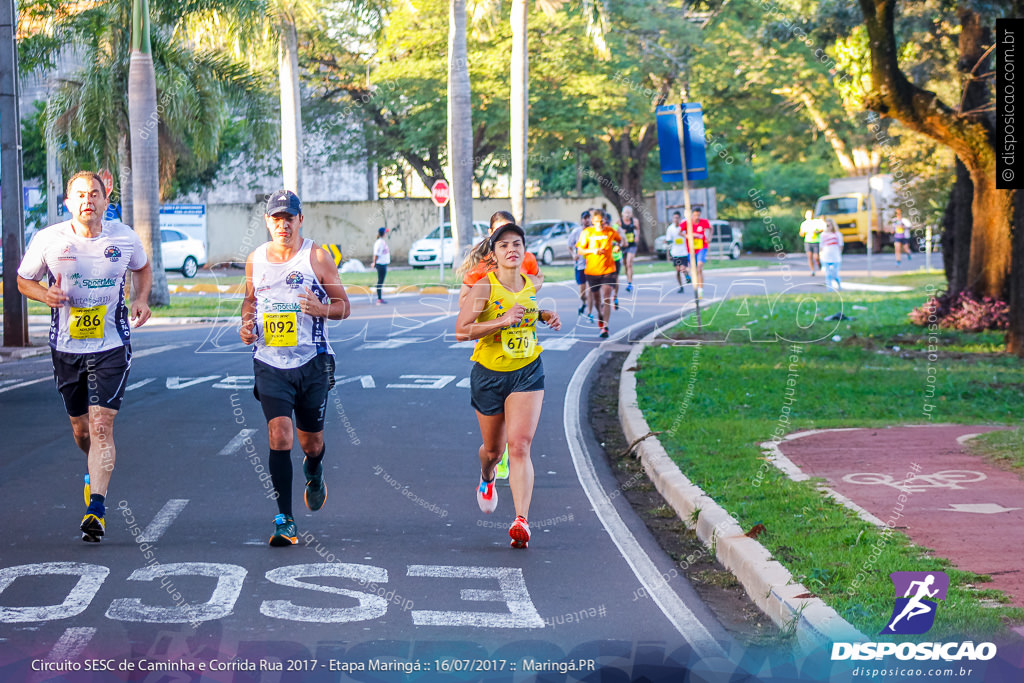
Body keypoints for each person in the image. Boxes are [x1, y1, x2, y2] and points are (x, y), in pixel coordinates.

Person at [16, 171, 153, 542]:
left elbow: (142, 268)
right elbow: (22, 279)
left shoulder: (123, 238)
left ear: (106, 201)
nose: (87, 200)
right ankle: (92, 471)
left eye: (94, 193)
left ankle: (97, 508)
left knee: (100, 425)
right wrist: (45, 296)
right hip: (67, 347)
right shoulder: (49, 240)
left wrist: (140, 298)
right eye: (79, 195)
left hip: (111, 345)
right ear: (67, 203)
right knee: (81, 430)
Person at [239, 190, 351, 546]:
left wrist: (322, 309)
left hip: (312, 361)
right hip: (270, 362)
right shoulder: (256, 259)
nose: (282, 225)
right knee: (280, 435)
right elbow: (249, 301)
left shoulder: (315, 257)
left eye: (289, 218)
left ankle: (314, 470)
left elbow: (344, 306)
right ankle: (284, 519)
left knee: (311, 442)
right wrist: (246, 325)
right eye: (276, 218)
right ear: (267, 222)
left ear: (300, 219)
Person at [455, 222, 561, 549]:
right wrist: (501, 321)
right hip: (489, 375)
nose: (511, 249)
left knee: (520, 446)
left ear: (524, 251)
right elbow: (462, 331)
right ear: (494, 254)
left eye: (517, 244)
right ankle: (487, 478)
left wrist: (544, 316)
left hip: (527, 371)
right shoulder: (483, 288)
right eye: (504, 246)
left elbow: (526, 310)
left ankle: (521, 521)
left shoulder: (531, 284)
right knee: (493, 450)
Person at [458, 211, 542, 307]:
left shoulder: (527, 258)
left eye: (509, 229)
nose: (506, 234)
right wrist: (494, 304)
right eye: (500, 230)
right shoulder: (480, 265)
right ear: (490, 232)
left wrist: (522, 296)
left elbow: (539, 277)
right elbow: (463, 302)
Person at [575, 209, 621, 338]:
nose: (599, 224)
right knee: (596, 300)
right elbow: (580, 251)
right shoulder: (587, 232)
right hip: (592, 271)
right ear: (592, 221)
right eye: (597, 221)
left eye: (602, 221)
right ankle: (600, 316)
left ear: (605, 220)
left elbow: (619, 241)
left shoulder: (610, 231)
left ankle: (605, 327)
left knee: (606, 295)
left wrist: (617, 247)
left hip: (608, 269)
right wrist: (593, 250)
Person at [567, 210, 593, 319]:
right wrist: (573, 254)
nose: (586, 220)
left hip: (592, 265)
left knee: (591, 289)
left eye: (588, 218)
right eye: (584, 218)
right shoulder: (576, 232)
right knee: (582, 292)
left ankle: (590, 312)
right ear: (582, 219)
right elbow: (569, 245)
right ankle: (584, 303)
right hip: (580, 265)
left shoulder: (594, 232)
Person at [681, 207, 710, 298]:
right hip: (692, 250)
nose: (697, 217)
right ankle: (696, 286)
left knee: (699, 267)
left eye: (698, 215)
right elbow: (679, 232)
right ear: (692, 215)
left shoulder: (704, 222)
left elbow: (711, 228)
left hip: (702, 247)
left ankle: (700, 290)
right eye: (695, 215)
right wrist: (689, 235)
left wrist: (709, 238)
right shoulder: (687, 223)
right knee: (694, 270)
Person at [665, 211, 690, 293]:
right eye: (674, 218)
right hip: (675, 252)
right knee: (678, 270)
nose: (676, 219)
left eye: (677, 218)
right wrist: (668, 252)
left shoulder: (683, 227)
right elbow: (668, 241)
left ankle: (687, 275)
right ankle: (681, 286)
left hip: (684, 251)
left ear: (680, 218)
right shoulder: (670, 228)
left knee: (683, 267)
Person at [618, 206, 640, 292]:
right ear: (622, 213)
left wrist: (637, 236)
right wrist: (621, 233)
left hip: (632, 244)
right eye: (625, 213)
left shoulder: (635, 221)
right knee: (625, 265)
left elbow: (637, 230)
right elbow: (615, 232)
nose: (627, 215)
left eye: (629, 213)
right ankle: (628, 280)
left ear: (631, 214)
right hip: (623, 245)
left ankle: (630, 283)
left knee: (629, 263)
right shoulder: (619, 222)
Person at [819, 219, 844, 291]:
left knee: (835, 274)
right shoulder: (823, 235)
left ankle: (839, 284)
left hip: (835, 257)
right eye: (826, 225)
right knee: (828, 275)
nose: (828, 227)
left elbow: (841, 245)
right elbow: (821, 246)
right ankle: (829, 290)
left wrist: (839, 254)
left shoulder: (837, 234)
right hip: (825, 257)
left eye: (829, 225)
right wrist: (820, 256)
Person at [799, 210, 824, 275]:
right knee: (809, 256)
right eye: (808, 214)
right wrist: (803, 233)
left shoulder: (816, 222)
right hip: (808, 241)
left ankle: (819, 264)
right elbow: (801, 233)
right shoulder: (804, 224)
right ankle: (812, 270)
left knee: (816, 257)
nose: (809, 216)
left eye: (810, 214)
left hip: (816, 241)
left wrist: (816, 232)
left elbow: (821, 230)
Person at [371, 227, 390, 304]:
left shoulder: (382, 241)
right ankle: (379, 298)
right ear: (383, 233)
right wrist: (374, 263)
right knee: (380, 281)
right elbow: (376, 254)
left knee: (381, 281)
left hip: (383, 263)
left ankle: (380, 297)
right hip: (380, 264)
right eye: (385, 232)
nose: (386, 234)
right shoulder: (379, 243)